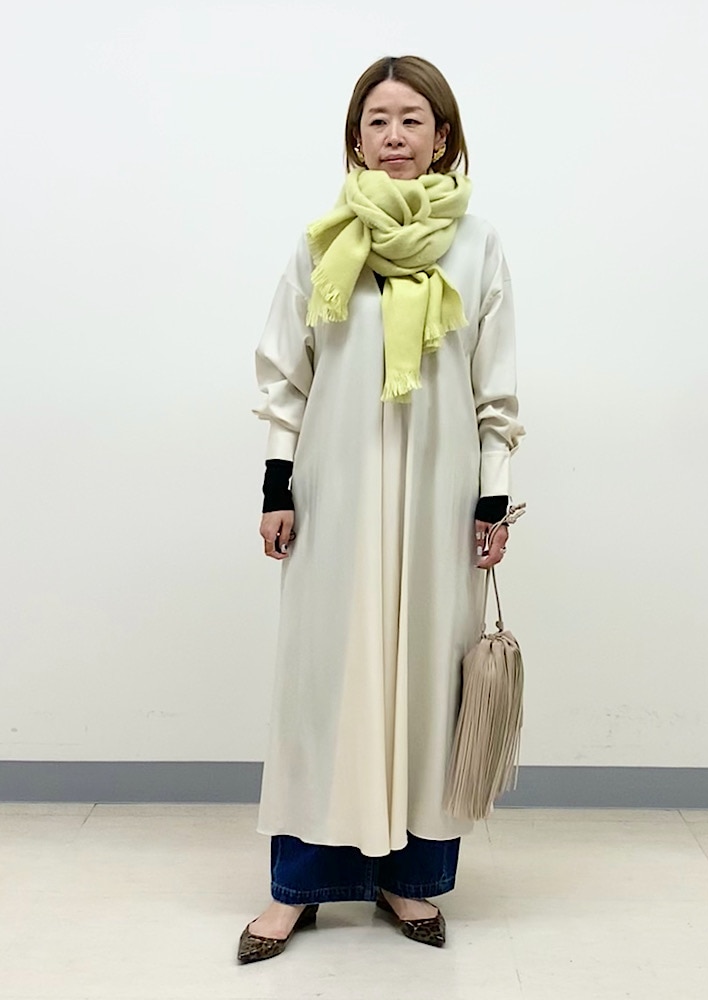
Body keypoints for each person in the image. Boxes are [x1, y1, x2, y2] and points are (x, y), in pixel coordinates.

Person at [238, 54, 524, 963]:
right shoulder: (323, 242)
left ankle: (407, 877)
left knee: (424, 685)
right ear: (355, 139)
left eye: (412, 120)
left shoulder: (476, 245)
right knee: (326, 681)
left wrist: (492, 496)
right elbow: (286, 377)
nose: (394, 136)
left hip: (440, 500)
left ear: (442, 137)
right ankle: (298, 887)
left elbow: (495, 387)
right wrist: (278, 486)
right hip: (336, 494)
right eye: (377, 120)